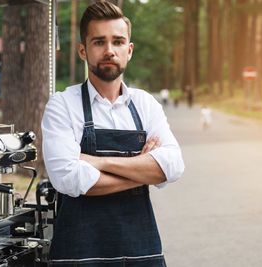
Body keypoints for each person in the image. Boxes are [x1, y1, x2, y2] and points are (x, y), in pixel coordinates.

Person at [41, 2, 184, 266]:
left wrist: (96, 161)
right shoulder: (63, 104)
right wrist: (142, 172)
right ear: (83, 50)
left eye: (118, 42)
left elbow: (173, 166)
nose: (109, 50)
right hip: (78, 257)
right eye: (99, 42)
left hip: (143, 254)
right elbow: (67, 178)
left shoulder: (145, 104)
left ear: (128, 50)